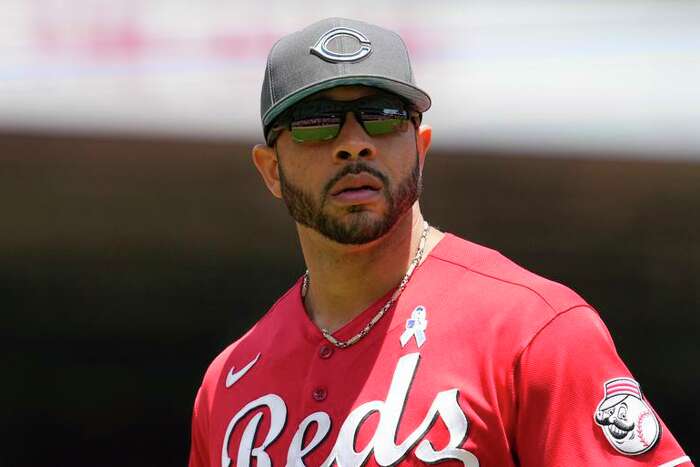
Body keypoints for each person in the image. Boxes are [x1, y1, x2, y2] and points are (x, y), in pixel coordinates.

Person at [189, 18, 692, 467]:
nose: (353, 142)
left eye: (382, 115)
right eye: (316, 123)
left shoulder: (534, 329)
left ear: (419, 148)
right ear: (271, 170)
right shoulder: (227, 382)